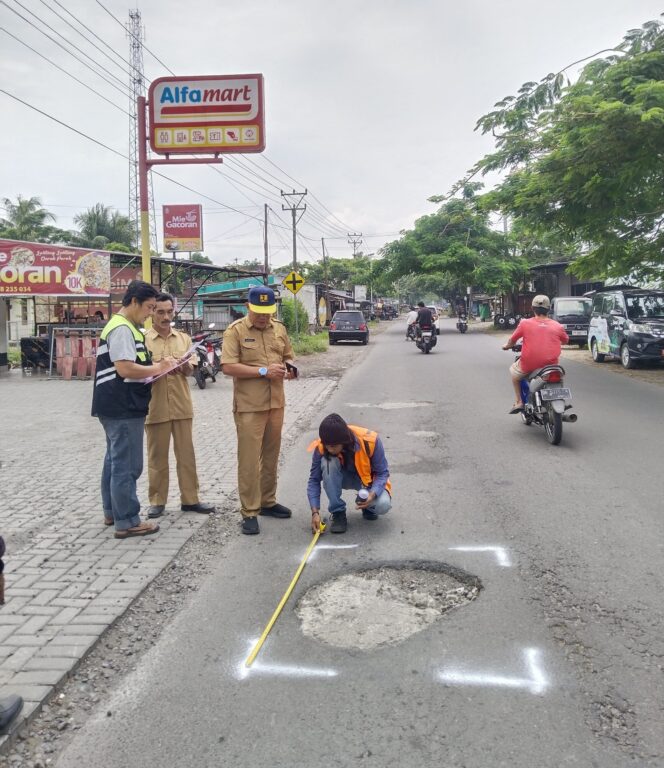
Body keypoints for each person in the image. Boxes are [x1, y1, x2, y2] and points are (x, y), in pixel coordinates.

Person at [91, 280, 175, 539]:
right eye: (150, 307)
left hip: (116, 404)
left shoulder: (125, 327)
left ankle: (112, 512)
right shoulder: (122, 329)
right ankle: (127, 521)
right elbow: (125, 368)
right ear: (134, 302)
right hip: (122, 406)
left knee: (114, 461)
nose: (151, 313)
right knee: (127, 465)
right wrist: (159, 368)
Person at [221, 285, 296, 535]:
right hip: (249, 407)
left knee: (271, 456)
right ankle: (249, 511)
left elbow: (287, 355)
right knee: (250, 460)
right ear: (248, 308)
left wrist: (290, 368)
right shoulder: (235, 331)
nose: (263, 317)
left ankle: (267, 502)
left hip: (276, 403)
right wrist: (263, 371)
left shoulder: (279, 329)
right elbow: (228, 367)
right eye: (259, 312)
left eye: (268, 312)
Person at [144, 293, 216, 519]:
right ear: (152, 312)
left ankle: (190, 499)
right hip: (155, 406)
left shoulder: (184, 339)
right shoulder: (143, 339)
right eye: (160, 312)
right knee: (157, 457)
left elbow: (191, 367)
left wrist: (182, 367)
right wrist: (159, 367)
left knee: (187, 455)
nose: (166, 317)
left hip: (182, 405)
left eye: (169, 312)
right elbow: (140, 370)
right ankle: (157, 501)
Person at [308, 413, 392, 534]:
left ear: (344, 441)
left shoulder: (371, 440)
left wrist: (372, 495)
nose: (330, 449)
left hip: (367, 483)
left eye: (333, 446)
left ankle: (367, 505)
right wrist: (314, 513)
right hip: (342, 478)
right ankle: (338, 512)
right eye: (327, 446)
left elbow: (382, 473)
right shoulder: (323, 446)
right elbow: (314, 480)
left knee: (383, 505)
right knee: (328, 461)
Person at [502, 294, 569, 414]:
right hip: (551, 366)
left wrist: (507, 346)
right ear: (549, 309)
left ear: (532, 309)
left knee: (514, 373)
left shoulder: (524, 323)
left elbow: (512, 340)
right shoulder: (557, 326)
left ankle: (519, 402)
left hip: (528, 365)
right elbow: (565, 340)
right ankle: (560, 399)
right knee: (558, 377)